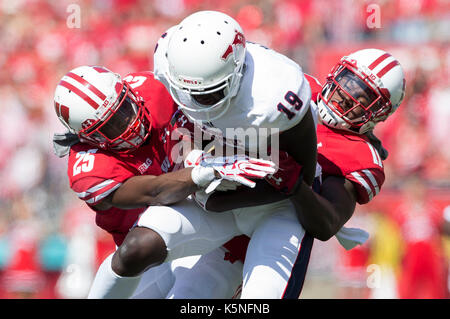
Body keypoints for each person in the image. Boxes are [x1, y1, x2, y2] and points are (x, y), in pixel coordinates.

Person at [128, 47, 407, 299]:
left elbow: (327, 223)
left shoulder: (359, 154)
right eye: (348, 81)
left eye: (363, 95)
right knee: (141, 261)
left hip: (263, 232)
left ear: (380, 113)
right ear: (336, 72)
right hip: (217, 203)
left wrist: (295, 186)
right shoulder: (299, 88)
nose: (347, 95)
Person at [86, 10, 319, 299]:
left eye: (208, 94)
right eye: (185, 91)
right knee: (137, 249)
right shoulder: (169, 59)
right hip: (211, 190)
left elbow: (302, 179)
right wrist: (204, 172)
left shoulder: (276, 95)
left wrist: (221, 197)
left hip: (272, 203)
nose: (194, 102)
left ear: (236, 73)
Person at [52, 65, 277, 298]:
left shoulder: (154, 88)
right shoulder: (90, 169)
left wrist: (201, 155)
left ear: (129, 92)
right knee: (136, 250)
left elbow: (213, 127)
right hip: (151, 252)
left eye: (124, 108)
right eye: (112, 125)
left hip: (211, 223)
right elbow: (155, 192)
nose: (128, 123)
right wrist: (202, 171)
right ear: (91, 138)